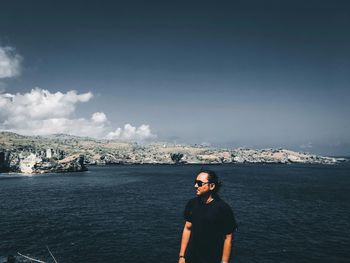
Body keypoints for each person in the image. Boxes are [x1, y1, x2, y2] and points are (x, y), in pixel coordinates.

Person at [178, 170, 237, 263]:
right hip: (191, 258)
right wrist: (182, 256)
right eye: (195, 182)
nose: (195, 186)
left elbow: (228, 238)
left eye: (200, 183)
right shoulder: (192, 204)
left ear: (212, 186)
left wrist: (224, 262)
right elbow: (187, 228)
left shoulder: (223, 208)